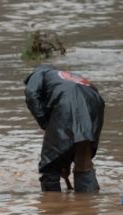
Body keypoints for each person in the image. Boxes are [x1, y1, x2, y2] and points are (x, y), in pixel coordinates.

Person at [23, 64, 105, 192]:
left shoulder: (40, 73)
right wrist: (64, 161)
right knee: (83, 158)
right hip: (95, 102)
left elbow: (31, 93)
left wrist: (44, 123)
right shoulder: (70, 77)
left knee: (49, 166)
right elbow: (70, 140)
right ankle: (88, 204)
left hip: (67, 102)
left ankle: (53, 206)